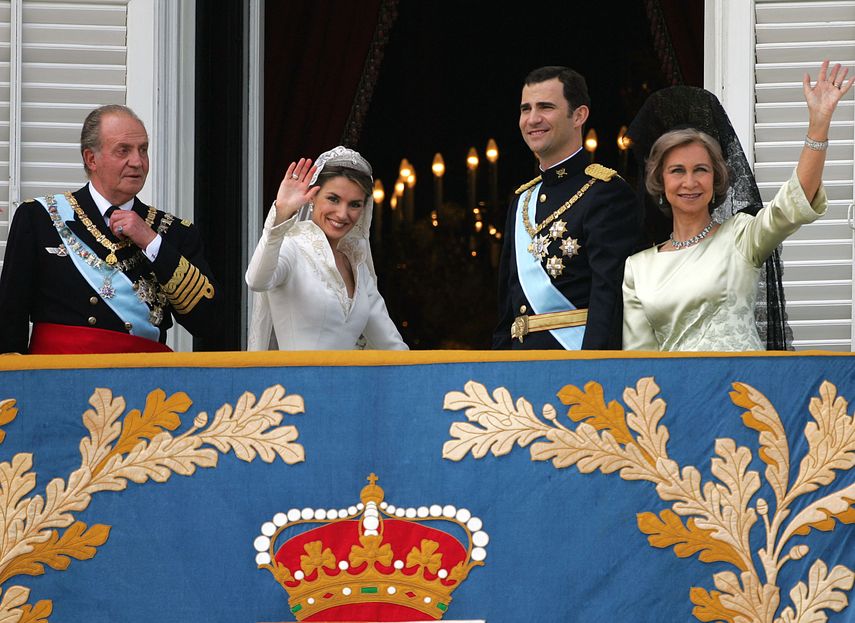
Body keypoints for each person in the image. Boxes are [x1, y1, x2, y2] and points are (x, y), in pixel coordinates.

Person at [622, 60, 852, 351]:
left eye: (701, 170)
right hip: (679, 394)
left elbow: (794, 202)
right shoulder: (638, 268)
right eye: (677, 170)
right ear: (660, 181)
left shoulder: (742, 237)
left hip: (744, 388)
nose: (690, 182)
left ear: (717, 178)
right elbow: (640, 361)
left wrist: (819, 126)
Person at [0, 104, 222, 354]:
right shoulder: (39, 218)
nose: (137, 162)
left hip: (143, 383)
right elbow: (9, 321)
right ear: (91, 159)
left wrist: (152, 243)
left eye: (143, 150)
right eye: (123, 151)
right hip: (59, 381)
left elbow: (210, 322)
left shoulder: (173, 232)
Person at [493, 66, 638, 350]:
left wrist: (590, 372)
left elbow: (608, 299)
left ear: (579, 115)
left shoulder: (606, 192)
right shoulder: (521, 201)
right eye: (526, 109)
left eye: (545, 107)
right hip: (519, 372)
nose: (532, 119)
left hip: (574, 370)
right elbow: (506, 312)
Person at [246, 146, 407, 350]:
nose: (342, 214)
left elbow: (391, 345)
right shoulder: (290, 247)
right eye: (333, 199)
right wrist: (281, 215)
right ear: (312, 196)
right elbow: (256, 280)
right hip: (295, 382)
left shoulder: (357, 266)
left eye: (355, 204)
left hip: (348, 382)